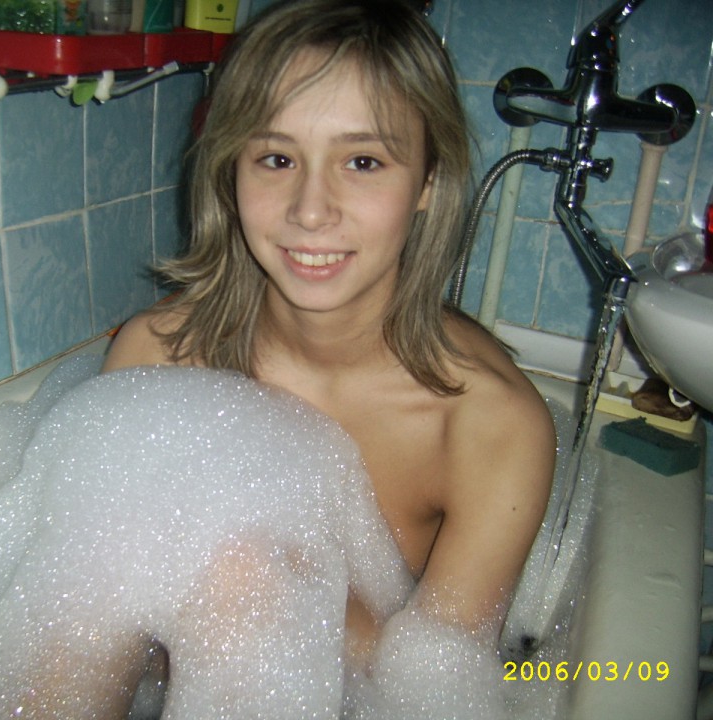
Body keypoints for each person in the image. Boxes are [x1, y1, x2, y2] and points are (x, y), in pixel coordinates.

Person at [103, 0, 556, 712]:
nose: (311, 210)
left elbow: (437, 687)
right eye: (277, 158)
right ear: (230, 171)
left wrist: (267, 590)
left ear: (428, 182)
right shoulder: (157, 360)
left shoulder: (488, 427)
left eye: (363, 161)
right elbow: (93, 631)